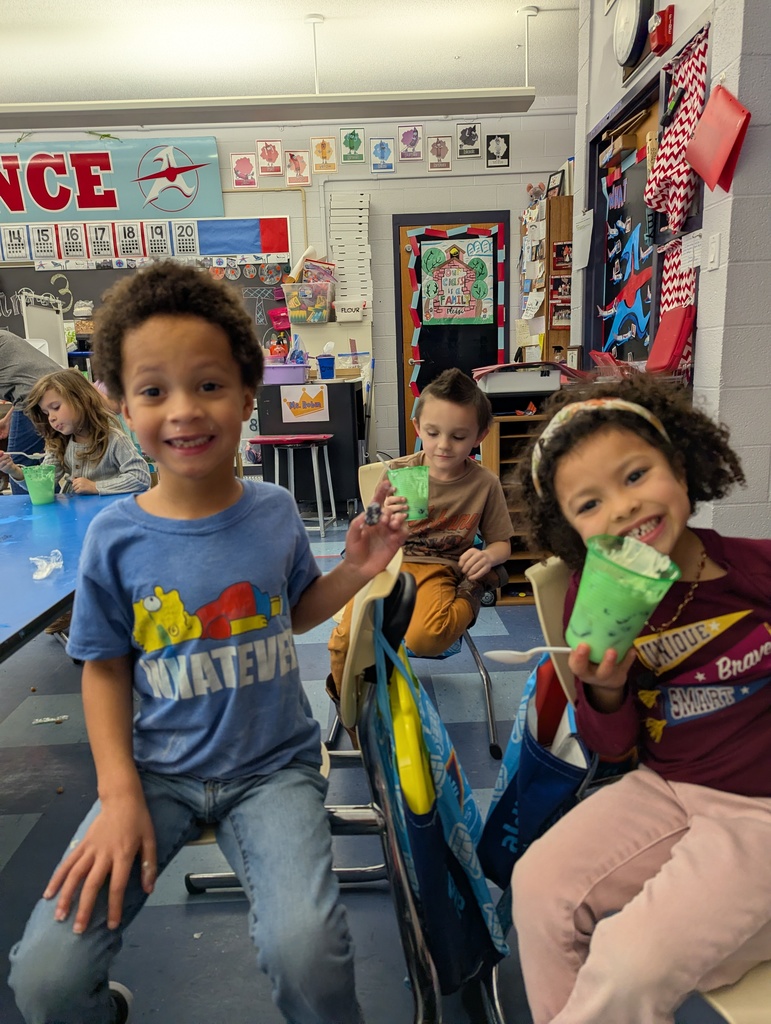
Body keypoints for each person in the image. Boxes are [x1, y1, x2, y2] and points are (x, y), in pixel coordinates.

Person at [7, 260, 407, 1024]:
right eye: (154, 390)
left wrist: (355, 569)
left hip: (271, 770)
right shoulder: (115, 538)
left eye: (210, 384)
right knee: (46, 981)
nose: (185, 410)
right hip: (154, 774)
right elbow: (102, 667)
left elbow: (283, 615)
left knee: (310, 956)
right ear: (123, 405)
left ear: (248, 395)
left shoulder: (275, 511)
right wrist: (119, 792)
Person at [508, 374, 771, 1024]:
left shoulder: (756, 570)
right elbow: (613, 751)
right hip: (662, 784)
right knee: (537, 886)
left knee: (630, 961)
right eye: (588, 504)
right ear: (569, 529)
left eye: (634, 476)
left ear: (679, 466)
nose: (621, 509)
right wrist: (603, 685)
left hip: (757, 806)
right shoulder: (593, 603)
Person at [328, 367, 513, 706]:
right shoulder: (401, 471)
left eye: (458, 437)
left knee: (428, 639)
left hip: (440, 567)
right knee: (344, 641)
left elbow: (502, 543)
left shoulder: (484, 483)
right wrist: (376, 515)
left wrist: (487, 558)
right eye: (433, 433)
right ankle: (353, 715)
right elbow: (366, 524)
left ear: (480, 435)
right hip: (388, 561)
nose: (443, 445)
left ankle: (477, 587)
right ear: (418, 428)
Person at [0, 368, 151, 496]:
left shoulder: (114, 438)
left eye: (56, 407)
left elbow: (141, 477)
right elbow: (44, 487)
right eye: (46, 413)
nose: (51, 418)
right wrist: (14, 471)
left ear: (82, 400)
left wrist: (95, 487)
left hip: (109, 517)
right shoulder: (60, 443)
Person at [0, 328, 63, 493]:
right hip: (54, 390)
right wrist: (8, 419)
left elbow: (28, 387)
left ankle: (28, 513)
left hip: (38, 397)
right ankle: (50, 503)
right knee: (41, 465)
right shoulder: (5, 338)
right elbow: (23, 378)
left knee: (17, 463)